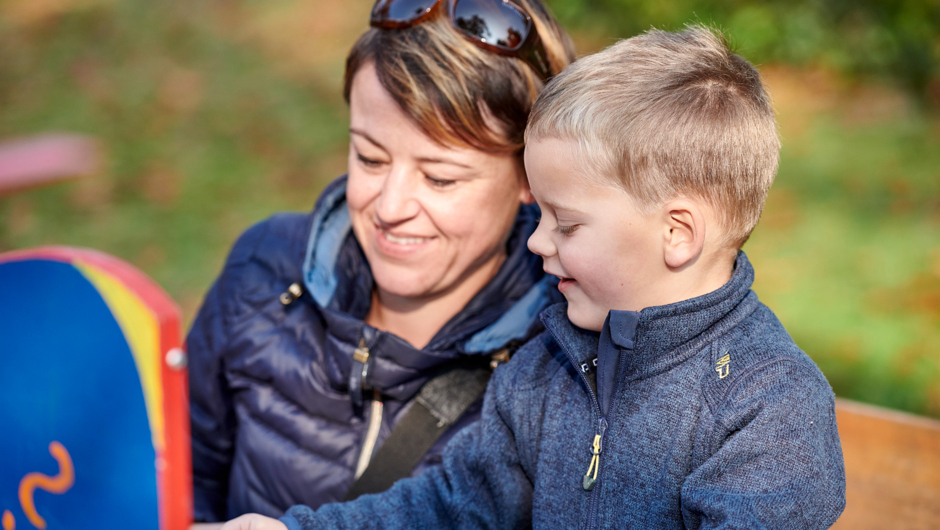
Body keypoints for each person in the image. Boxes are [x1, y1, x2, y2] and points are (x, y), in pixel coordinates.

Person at [222, 26, 847, 530]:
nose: (536, 241)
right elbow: (451, 504)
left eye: (566, 225)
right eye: (539, 213)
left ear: (677, 233)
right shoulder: (549, 365)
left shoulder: (767, 409)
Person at [187, 0, 575, 522]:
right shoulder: (264, 269)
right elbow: (179, 483)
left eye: (440, 178)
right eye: (369, 158)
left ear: (533, 175)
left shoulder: (569, 360)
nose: (390, 208)